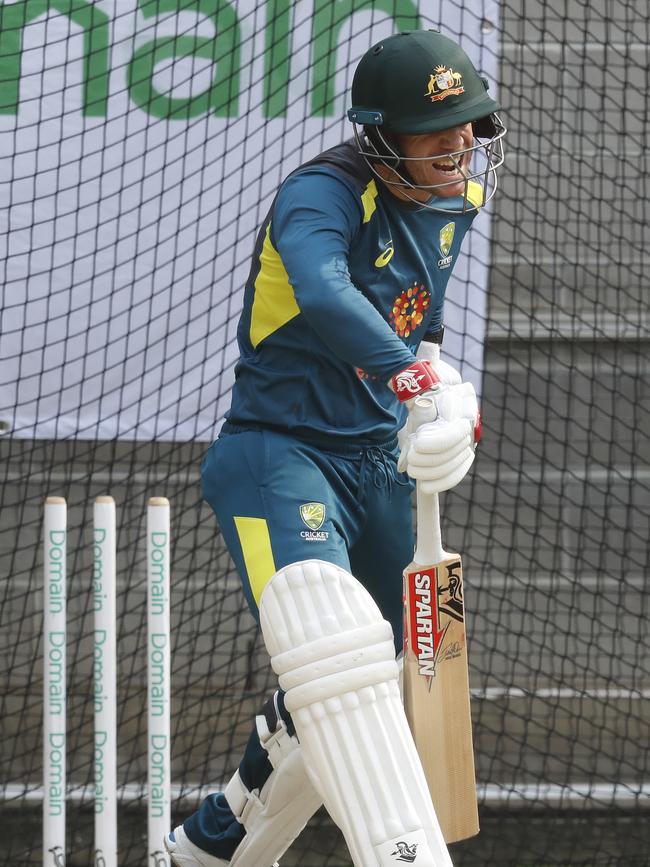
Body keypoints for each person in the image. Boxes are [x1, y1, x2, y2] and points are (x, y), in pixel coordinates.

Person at [165, 28, 505, 867]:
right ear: (381, 137)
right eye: (440, 131)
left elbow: (412, 327)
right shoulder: (320, 194)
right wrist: (414, 381)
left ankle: (213, 848)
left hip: (376, 459)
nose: (461, 146)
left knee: (364, 675)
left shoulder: (457, 197)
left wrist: (444, 395)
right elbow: (325, 290)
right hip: (279, 455)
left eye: (470, 125)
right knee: (336, 648)